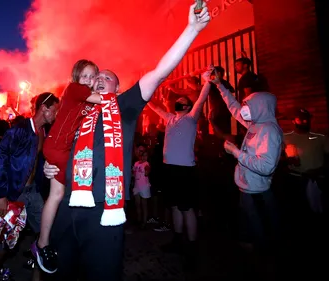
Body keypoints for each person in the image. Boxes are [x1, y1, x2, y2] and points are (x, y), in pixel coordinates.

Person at [43, 4, 210, 280]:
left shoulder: (124, 106)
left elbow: (159, 72)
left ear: (117, 88)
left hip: (102, 213)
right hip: (67, 210)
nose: (99, 80)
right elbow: (59, 147)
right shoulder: (79, 111)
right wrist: (51, 167)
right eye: (96, 77)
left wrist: (191, 29)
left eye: (107, 78)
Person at [35, 59, 102, 273]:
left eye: (93, 76)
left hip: (59, 149)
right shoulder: (75, 89)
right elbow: (102, 99)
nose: (89, 80)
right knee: (66, 194)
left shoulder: (85, 102)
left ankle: (43, 243)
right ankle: (44, 244)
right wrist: (119, 95)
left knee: (57, 195)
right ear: (76, 77)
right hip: (57, 147)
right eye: (85, 76)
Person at [0, 92, 59, 281]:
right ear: (45, 108)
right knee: (1, 246)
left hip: (33, 193)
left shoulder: (44, 132)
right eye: (55, 110)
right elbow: (0, 161)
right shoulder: (19, 130)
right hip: (13, 194)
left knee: (46, 236)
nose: (57, 114)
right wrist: (1, 195)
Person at [208, 70, 283, 252]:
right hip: (247, 189)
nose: (244, 109)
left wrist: (235, 152)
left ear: (261, 106)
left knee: (261, 237)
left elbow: (266, 166)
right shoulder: (255, 125)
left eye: (249, 105)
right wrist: (219, 85)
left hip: (258, 194)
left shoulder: (269, 130)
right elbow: (234, 108)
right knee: (248, 235)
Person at [147, 70, 213, 261]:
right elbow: (153, 105)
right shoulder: (170, 118)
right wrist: (144, 91)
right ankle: (177, 241)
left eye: (181, 99)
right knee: (175, 207)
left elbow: (202, 98)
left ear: (186, 105)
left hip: (185, 171)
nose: (178, 100)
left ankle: (192, 248)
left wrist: (207, 80)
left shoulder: (191, 118)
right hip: (170, 169)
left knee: (187, 208)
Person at [133, 150, 151, 228]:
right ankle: (139, 220)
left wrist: (147, 171)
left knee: (144, 205)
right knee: (137, 204)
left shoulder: (146, 164)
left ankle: (144, 221)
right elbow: (134, 172)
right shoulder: (136, 163)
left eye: (146, 156)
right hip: (137, 186)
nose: (144, 157)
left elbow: (147, 170)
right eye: (143, 155)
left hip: (144, 187)